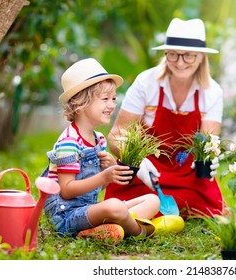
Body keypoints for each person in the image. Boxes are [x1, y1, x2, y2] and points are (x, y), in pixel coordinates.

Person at [105, 18, 224, 218]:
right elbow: (116, 134)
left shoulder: (212, 92)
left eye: (188, 56)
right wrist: (138, 162)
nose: (179, 63)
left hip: (187, 174)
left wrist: (209, 158)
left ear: (202, 56)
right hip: (148, 172)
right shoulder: (146, 83)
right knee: (133, 199)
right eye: (173, 55)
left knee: (198, 206)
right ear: (165, 53)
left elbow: (209, 141)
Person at [42, 58, 159, 243]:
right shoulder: (69, 142)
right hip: (67, 216)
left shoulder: (99, 140)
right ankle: (139, 231)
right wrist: (104, 177)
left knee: (153, 201)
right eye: (105, 99)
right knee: (114, 206)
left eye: (113, 99)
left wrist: (109, 171)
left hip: (88, 210)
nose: (112, 105)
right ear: (81, 103)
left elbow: (94, 189)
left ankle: (104, 229)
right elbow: (66, 190)